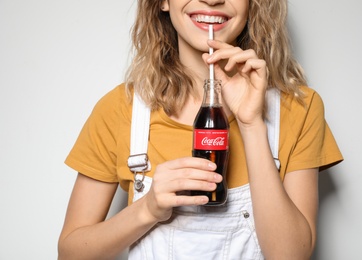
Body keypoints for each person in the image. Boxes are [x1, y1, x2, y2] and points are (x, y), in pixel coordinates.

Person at [58, 0, 343, 259]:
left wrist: (251, 123)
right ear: (163, 2)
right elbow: (70, 253)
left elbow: (291, 256)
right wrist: (147, 210)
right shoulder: (121, 109)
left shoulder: (300, 109)